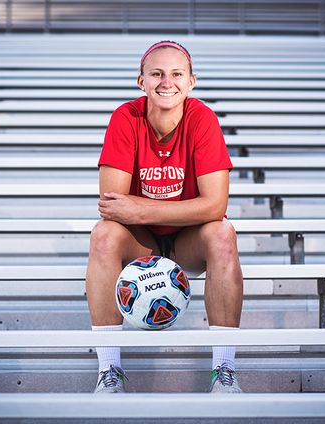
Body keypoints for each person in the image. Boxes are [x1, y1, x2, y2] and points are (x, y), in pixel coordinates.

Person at [86, 40, 244, 394]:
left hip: (190, 240)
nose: (166, 82)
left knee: (222, 233)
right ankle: (109, 372)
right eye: (156, 73)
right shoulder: (126, 117)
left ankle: (224, 371)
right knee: (104, 234)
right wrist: (147, 211)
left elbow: (214, 206)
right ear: (141, 81)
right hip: (140, 241)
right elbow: (112, 205)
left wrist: (141, 207)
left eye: (176, 74)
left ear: (191, 82)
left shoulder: (202, 118)